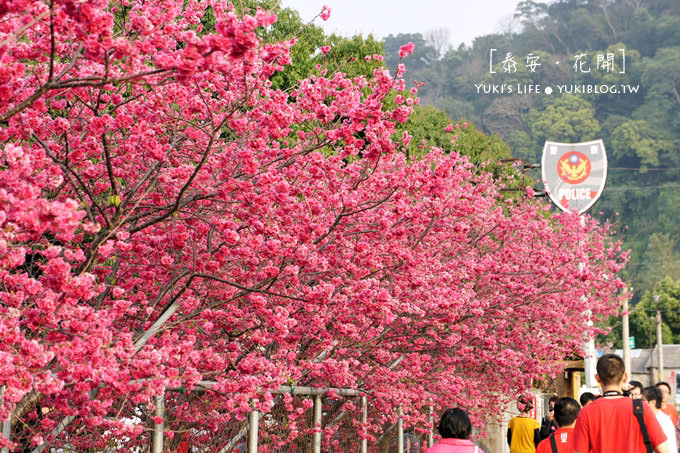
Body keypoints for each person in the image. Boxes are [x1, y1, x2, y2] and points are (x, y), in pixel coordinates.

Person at [572, 353, 669, 453]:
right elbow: (663, 449)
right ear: (625, 376)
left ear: (597, 378)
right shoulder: (641, 407)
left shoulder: (587, 412)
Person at [643, 386, 678, 453]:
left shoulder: (663, 421)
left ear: (652, 402)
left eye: (643, 400)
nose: (640, 403)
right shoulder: (653, 417)